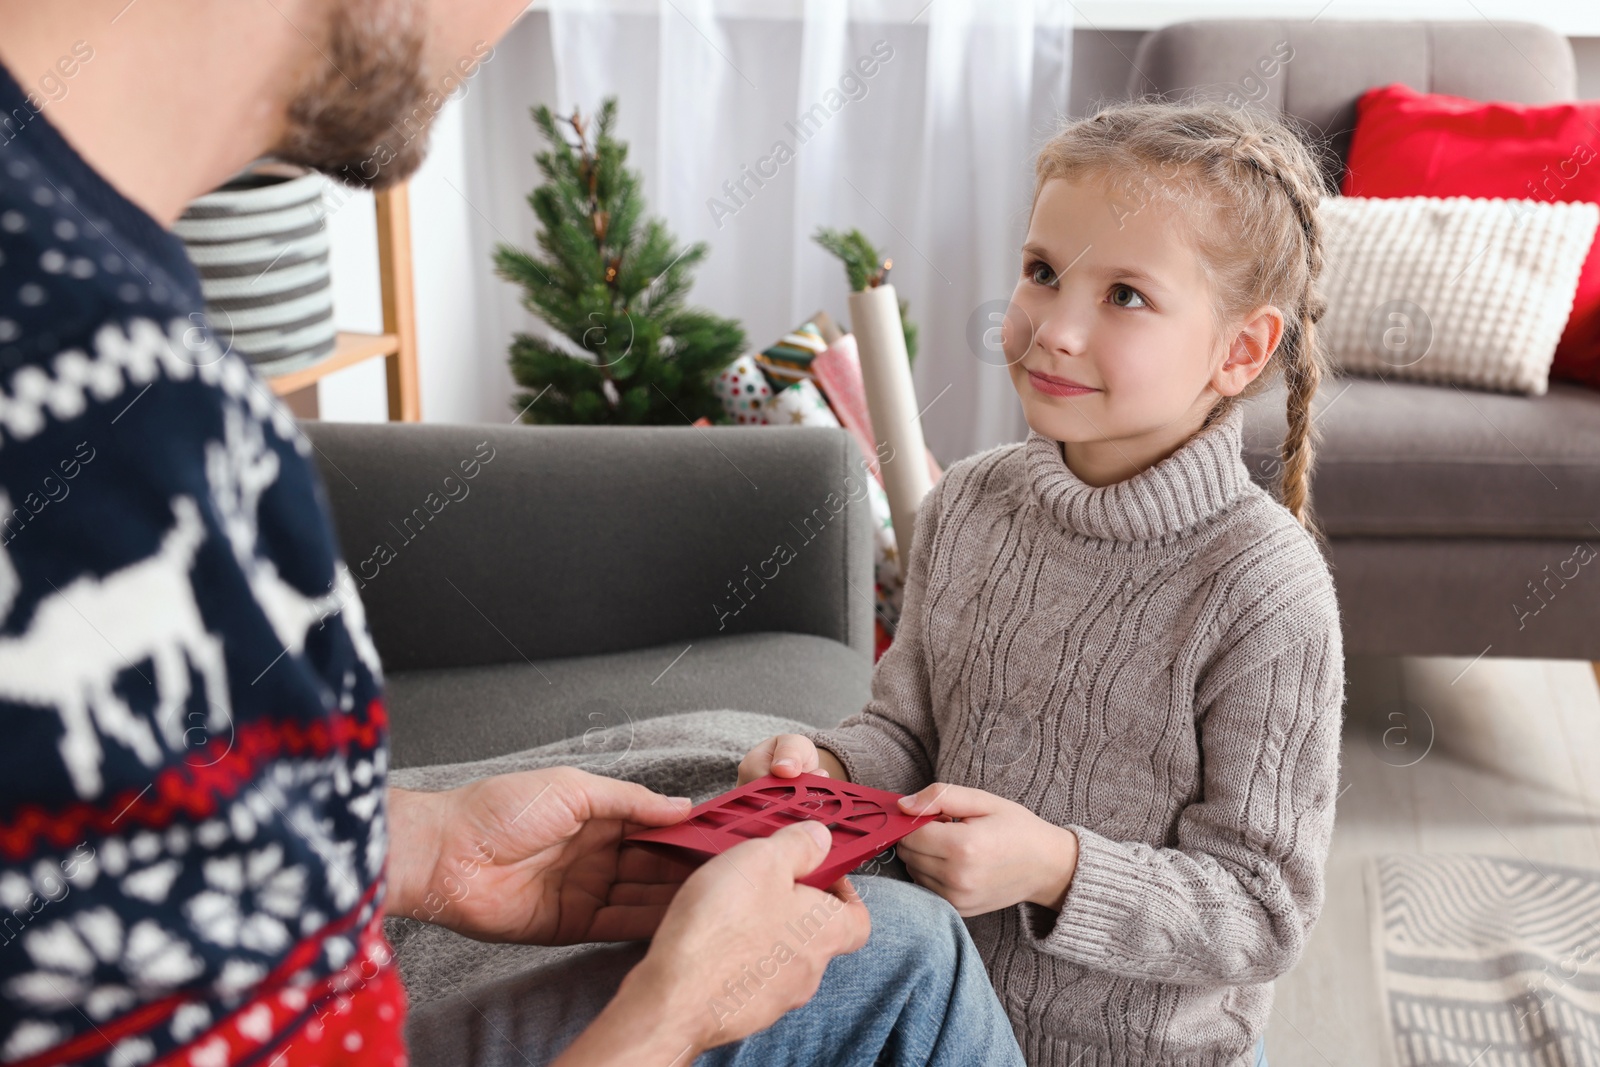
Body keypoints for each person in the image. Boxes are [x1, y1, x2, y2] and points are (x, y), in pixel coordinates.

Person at [0, 2, 1025, 1065]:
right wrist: (673, 1014)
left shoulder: (83, 307)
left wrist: (415, 843)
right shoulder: (100, 435)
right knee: (901, 959)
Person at [739, 98, 1349, 1067]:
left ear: (1239, 349)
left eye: (1125, 296)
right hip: (939, 1014)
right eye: (1041, 273)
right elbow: (906, 729)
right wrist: (835, 772)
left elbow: (1260, 909)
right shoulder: (970, 503)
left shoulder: (1263, 591)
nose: (1054, 328)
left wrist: (1055, 867)